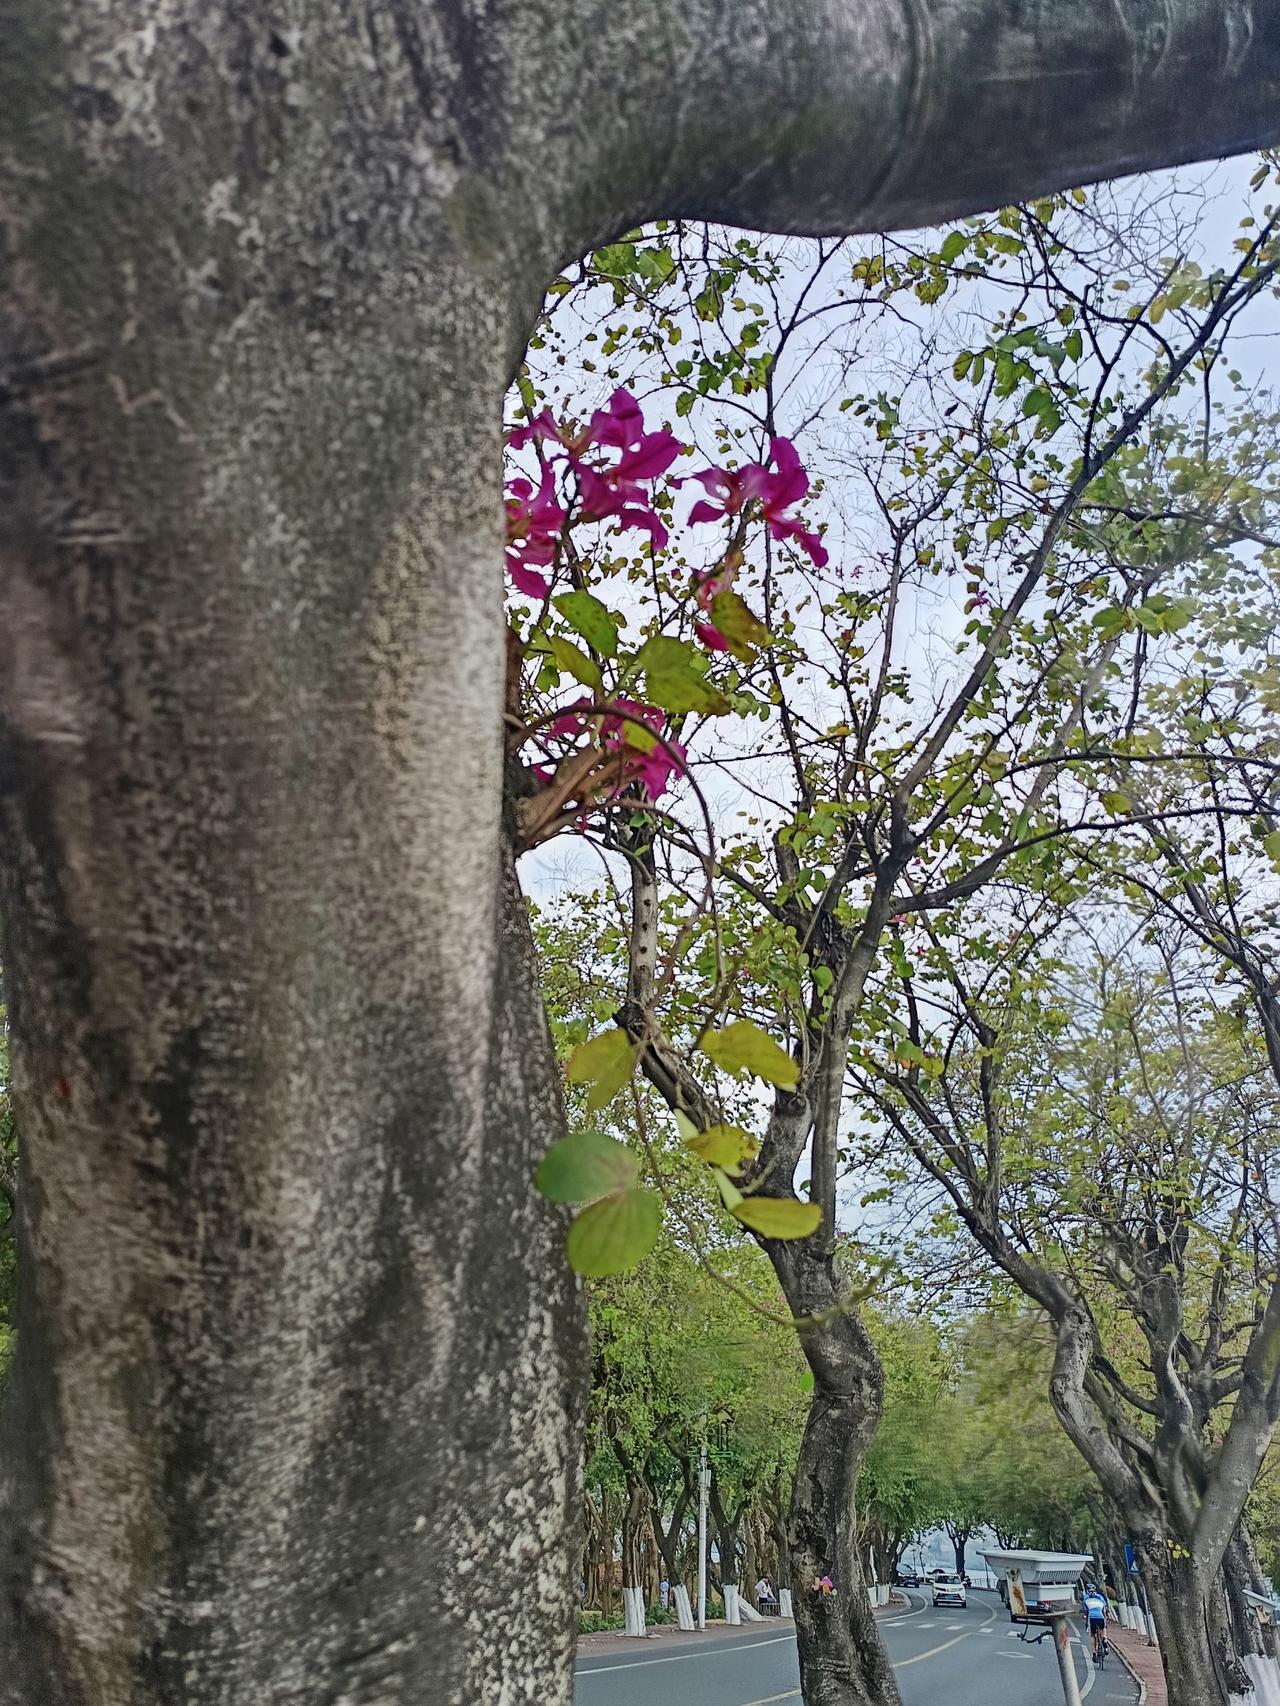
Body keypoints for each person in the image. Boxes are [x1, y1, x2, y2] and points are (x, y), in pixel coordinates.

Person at [1083, 1584, 1109, 1662]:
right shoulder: (1100, 1597)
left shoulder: (1086, 1599)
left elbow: (1086, 1612)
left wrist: (1086, 1623)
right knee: (1103, 1629)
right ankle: (1104, 1639)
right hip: (1100, 1617)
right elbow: (1104, 1610)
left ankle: (1094, 1653)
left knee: (1092, 1635)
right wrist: (1105, 1619)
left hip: (1092, 1618)